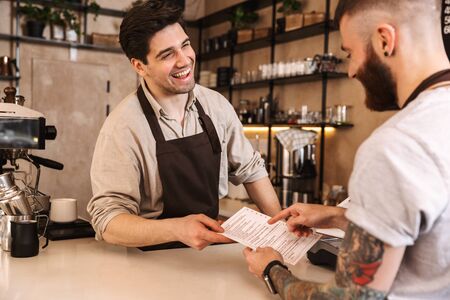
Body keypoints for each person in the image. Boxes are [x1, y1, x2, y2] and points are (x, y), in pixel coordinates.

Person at [243, 0, 450, 299]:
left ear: (384, 40)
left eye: (351, 53)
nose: (351, 71)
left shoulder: (395, 146)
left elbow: (350, 298)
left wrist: (272, 269)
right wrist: (337, 216)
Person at [87, 0, 281, 251]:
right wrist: (176, 228)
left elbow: (251, 169)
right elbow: (107, 220)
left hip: (210, 256)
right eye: (167, 54)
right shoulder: (123, 127)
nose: (184, 60)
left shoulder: (216, 106)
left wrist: (280, 231)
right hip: (150, 262)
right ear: (139, 66)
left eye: (185, 45)